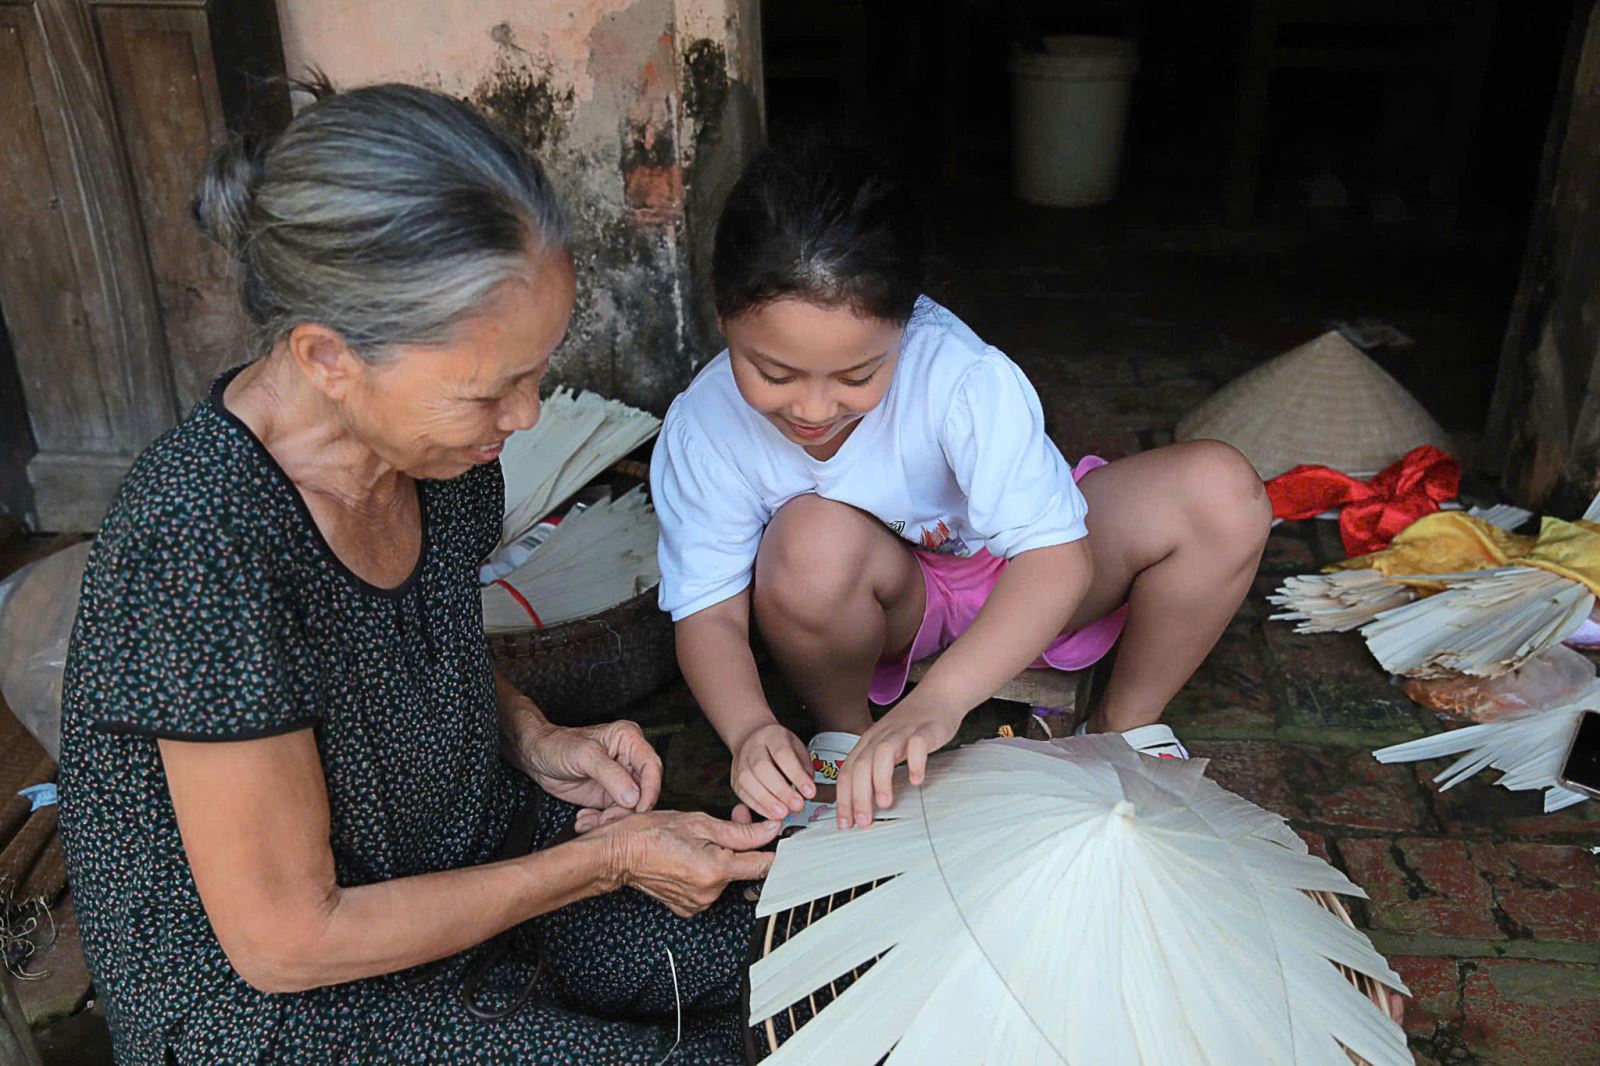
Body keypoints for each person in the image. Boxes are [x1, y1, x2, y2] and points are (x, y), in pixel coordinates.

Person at [56, 81, 776, 1065]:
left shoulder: (440, 456)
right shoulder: (198, 544)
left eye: (536, 370)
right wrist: (600, 861)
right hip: (288, 1006)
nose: (528, 415)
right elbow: (288, 941)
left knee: (779, 950)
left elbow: (408, 640)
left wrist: (531, 736)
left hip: (463, 854)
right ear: (328, 357)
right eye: (492, 388)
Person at [651, 147, 1274, 832]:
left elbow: (1056, 559)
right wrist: (748, 730)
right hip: (888, 602)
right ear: (722, 317)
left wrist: (940, 701)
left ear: (905, 322)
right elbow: (707, 613)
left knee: (1222, 492)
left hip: (1030, 577)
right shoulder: (704, 426)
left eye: (858, 376)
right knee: (806, 539)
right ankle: (846, 737)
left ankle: (1124, 724)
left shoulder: (960, 374)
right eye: (774, 371)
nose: (814, 408)